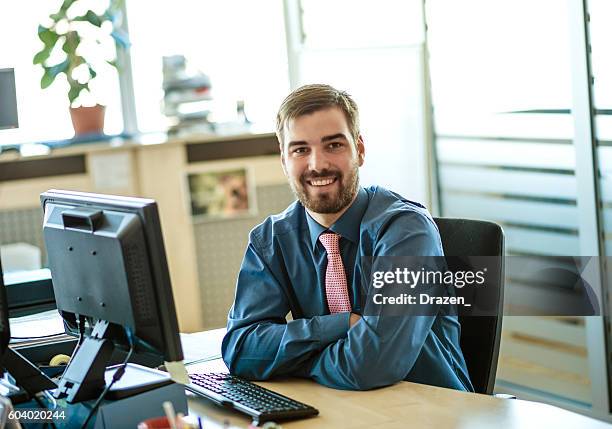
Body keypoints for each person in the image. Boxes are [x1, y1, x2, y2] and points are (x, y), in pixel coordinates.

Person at [221, 84, 473, 391]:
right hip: (338, 410)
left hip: (430, 413)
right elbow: (241, 349)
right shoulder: (272, 240)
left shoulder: (407, 232)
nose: (318, 164)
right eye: (301, 150)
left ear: (360, 150)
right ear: (284, 161)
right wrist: (341, 325)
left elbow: (371, 365)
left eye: (334, 145)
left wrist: (290, 360)